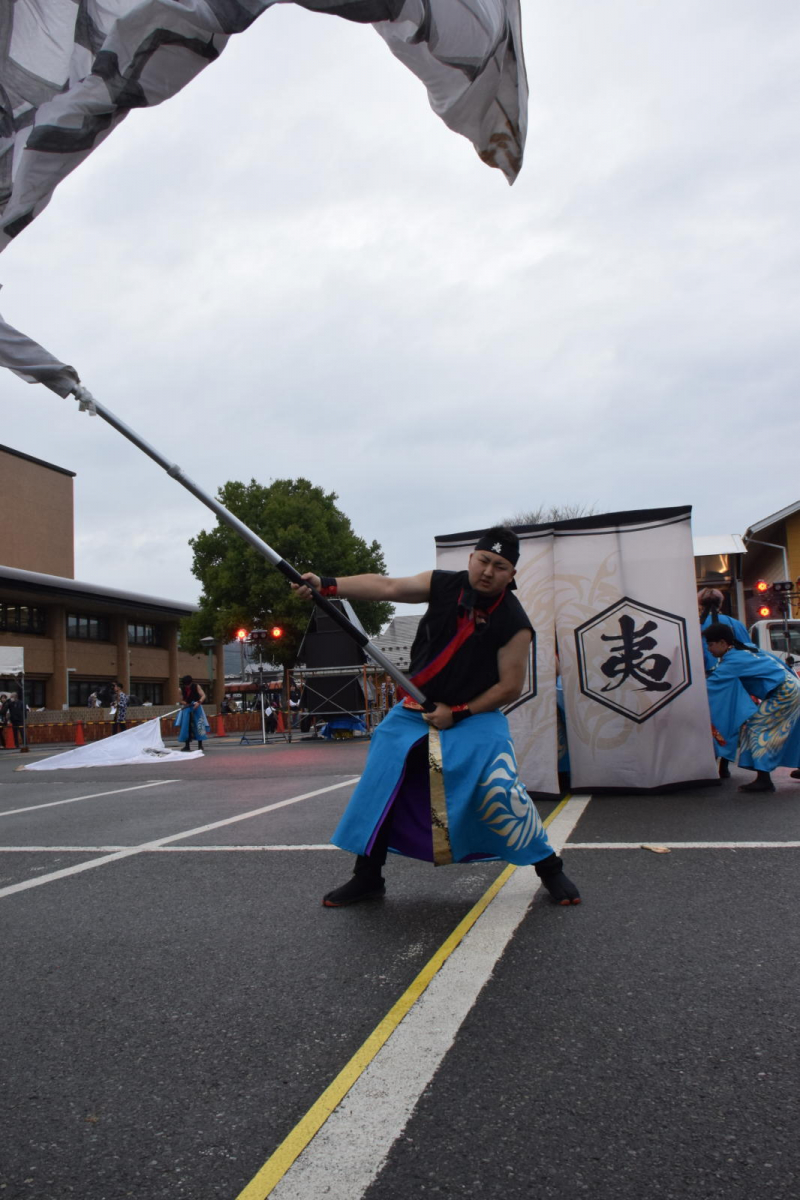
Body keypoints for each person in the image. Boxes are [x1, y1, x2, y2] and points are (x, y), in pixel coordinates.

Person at [293, 527, 580, 907]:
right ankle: (367, 877)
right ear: (470, 558)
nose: (488, 571)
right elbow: (389, 587)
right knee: (384, 781)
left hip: (477, 714)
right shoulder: (444, 585)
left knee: (501, 788)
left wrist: (458, 712)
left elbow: (509, 687)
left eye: (500, 566)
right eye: (483, 560)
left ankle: (550, 868)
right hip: (415, 709)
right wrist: (327, 585)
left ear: (512, 574)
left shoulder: (515, 621)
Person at [703, 622, 800, 792]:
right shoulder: (746, 648)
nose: (708, 649)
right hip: (793, 686)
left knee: (756, 728)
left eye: (710, 644)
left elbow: (709, 686)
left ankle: (764, 779)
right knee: (791, 729)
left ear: (723, 643)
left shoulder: (732, 662)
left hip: (783, 691)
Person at [175, 675, 209, 752]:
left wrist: (199, 702)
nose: (187, 686)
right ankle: (187, 745)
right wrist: (185, 703)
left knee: (199, 724)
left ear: (191, 683)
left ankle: (200, 745)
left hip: (197, 706)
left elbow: (203, 695)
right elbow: (180, 699)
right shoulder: (180, 689)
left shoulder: (196, 686)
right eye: (186, 684)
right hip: (187, 707)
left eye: (188, 684)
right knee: (186, 725)